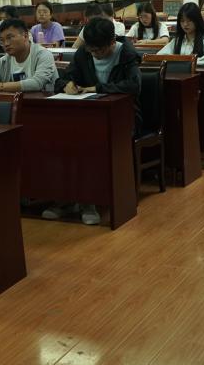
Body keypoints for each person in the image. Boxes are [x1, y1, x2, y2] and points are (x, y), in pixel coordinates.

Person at [49, 17, 142, 225]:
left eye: (99, 50)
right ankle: (66, 198)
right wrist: (66, 85)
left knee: (87, 142)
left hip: (124, 117)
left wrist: (97, 88)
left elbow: (133, 86)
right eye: (91, 50)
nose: (94, 54)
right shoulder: (84, 53)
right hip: (88, 116)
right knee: (60, 139)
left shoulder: (127, 54)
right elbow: (62, 79)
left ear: (112, 42)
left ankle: (89, 202)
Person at [0, 18, 59, 92]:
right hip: (17, 104)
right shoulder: (4, 61)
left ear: (25, 36)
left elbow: (37, 83)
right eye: (2, 40)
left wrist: (1, 86)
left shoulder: (44, 55)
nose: (6, 44)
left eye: (9, 38)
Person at [158, 2, 204, 66]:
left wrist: (187, 61)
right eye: (182, 21)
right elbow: (159, 56)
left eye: (189, 20)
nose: (185, 24)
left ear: (197, 21)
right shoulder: (176, 41)